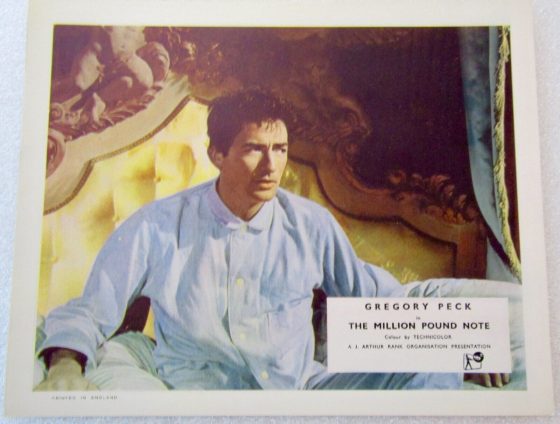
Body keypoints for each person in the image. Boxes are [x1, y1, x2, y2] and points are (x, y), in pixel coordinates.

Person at [36, 89, 506, 390]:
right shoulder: (156, 226)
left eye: (280, 149)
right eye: (254, 149)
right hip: (197, 400)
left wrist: (466, 346)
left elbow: (374, 298)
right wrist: (64, 365)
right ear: (217, 154)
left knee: (431, 367)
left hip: (301, 393)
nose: (271, 165)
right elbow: (90, 309)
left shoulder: (311, 224)